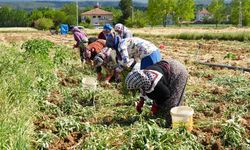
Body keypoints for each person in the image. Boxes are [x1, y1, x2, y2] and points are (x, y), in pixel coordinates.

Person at [125, 59, 188, 127]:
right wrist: (141, 101)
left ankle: (172, 125)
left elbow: (166, 95)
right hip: (168, 66)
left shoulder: (156, 84)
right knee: (160, 105)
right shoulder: (143, 77)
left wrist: (156, 105)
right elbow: (143, 88)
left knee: (172, 102)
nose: (135, 90)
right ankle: (161, 118)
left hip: (178, 72)